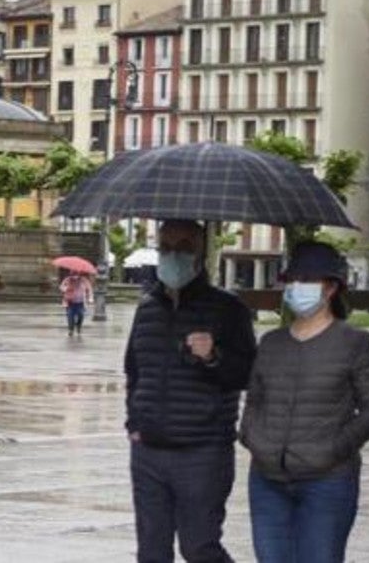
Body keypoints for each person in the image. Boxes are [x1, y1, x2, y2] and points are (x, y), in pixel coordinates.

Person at [240, 241, 369, 562]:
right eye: (292, 280)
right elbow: (255, 400)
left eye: (307, 280)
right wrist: (253, 438)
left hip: (327, 482)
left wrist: (333, 448)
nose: (296, 287)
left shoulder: (355, 343)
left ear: (331, 288)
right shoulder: (272, 342)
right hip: (268, 480)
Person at [123, 219, 257, 562]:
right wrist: (135, 426)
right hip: (149, 451)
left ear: (201, 254)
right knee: (151, 551)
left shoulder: (227, 308)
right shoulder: (147, 307)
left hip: (202, 452)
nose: (174, 255)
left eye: (184, 247)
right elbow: (134, 371)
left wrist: (213, 357)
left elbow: (247, 374)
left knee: (199, 548)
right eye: (166, 247)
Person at [59, 270, 92, 336]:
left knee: (81, 315)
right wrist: (67, 288)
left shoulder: (84, 280)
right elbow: (62, 287)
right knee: (70, 316)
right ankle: (71, 330)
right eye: (73, 274)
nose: (75, 276)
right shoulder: (67, 280)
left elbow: (89, 289)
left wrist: (90, 298)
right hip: (70, 302)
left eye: (76, 274)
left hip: (80, 302)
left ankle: (78, 326)